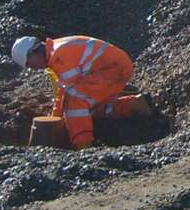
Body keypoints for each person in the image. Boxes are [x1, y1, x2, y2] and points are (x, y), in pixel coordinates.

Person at [10, 35, 142, 150]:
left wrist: (60, 123)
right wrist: (55, 118)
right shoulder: (55, 51)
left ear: (33, 53)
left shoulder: (59, 56)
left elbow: (70, 94)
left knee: (76, 104)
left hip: (112, 70)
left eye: (29, 64)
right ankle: (135, 104)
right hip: (110, 69)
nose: (34, 69)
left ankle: (83, 146)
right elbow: (64, 91)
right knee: (87, 111)